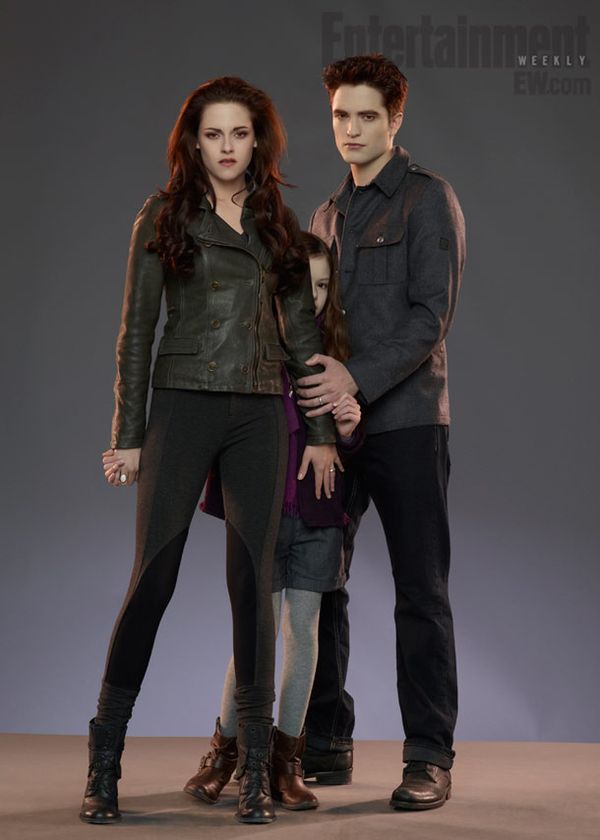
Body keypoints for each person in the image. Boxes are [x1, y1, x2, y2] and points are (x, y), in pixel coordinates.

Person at [79, 76, 338, 827]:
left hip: (259, 413)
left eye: (241, 134)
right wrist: (128, 434)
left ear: (260, 142)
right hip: (183, 404)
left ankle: (254, 771)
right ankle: (104, 763)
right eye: (214, 134)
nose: (228, 147)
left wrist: (322, 435)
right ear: (194, 142)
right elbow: (136, 331)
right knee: (153, 578)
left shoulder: (277, 223)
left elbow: (303, 336)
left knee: (253, 586)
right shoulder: (164, 215)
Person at [295, 54, 466, 811]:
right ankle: (327, 738)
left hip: (405, 423)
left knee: (419, 590)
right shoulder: (325, 215)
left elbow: (431, 316)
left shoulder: (428, 199)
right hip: (332, 432)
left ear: (396, 119)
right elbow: (308, 321)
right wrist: (320, 412)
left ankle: (429, 755)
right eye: (341, 115)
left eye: (368, 116)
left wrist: (355, 382)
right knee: (318, 580)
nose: (352, 129)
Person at [183, 232, 363, 812]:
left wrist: (349, 428)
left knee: (303, 634)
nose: (312, 297)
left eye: (322, 285)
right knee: (254, 635)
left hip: (319, 518)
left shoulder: (334, 359)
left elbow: (351, 446)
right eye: (301, 285)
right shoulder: (251, 351)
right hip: (262, 518)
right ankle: (227, 753)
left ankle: (286, 761)